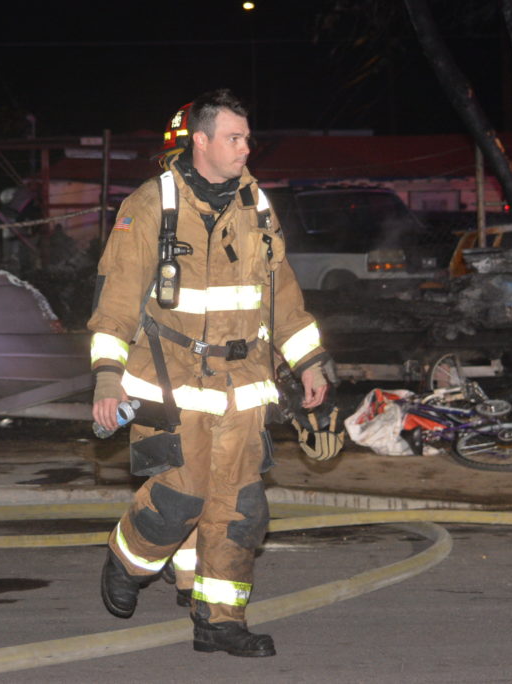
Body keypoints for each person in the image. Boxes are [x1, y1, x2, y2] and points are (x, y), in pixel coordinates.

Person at [89, 90, 330, 657]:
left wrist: (309, 361)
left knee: (241, 509)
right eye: (233, 138)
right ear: (201, 140)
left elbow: (282, 294)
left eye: (246, 138)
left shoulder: (257, 206)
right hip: (170, 381)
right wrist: (106, 376)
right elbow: (116, 301)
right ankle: (127, 559)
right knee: (181, 500)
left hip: (243, 385)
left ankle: (220, 621)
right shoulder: (151, 204)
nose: (245, 148)